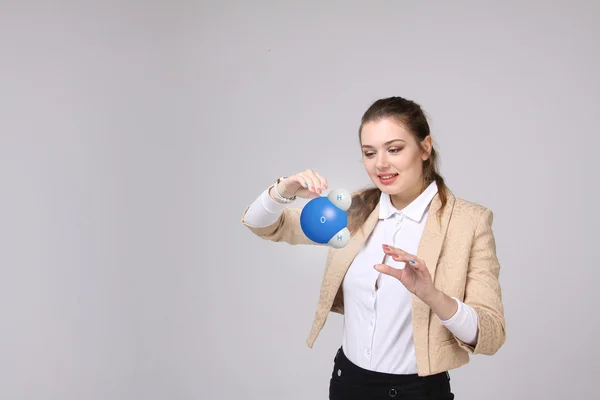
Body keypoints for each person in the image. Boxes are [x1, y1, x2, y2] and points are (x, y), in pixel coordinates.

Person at [240, 96, 506, 399]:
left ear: (424, 148)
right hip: (348, 384)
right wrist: (282, 190)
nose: (380, 164)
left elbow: (491, 334)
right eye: (369, 153)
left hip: (417, 392)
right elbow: (263, 225)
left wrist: (433, 296)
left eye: (394, 149)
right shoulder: (352, 210)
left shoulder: (468, 222)